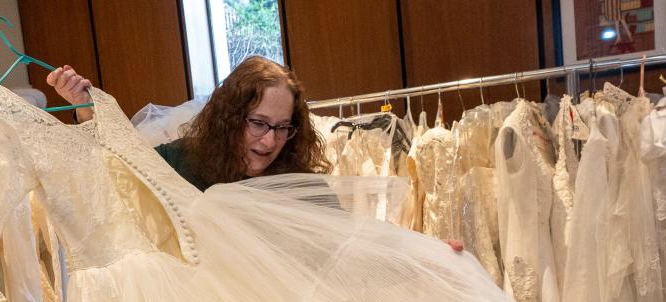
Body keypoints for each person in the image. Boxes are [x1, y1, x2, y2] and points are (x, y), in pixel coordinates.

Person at [48, 56, 465, 251]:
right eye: (258, 123)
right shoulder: (179, 162)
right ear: (230, 116)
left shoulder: (302, 184)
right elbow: (118, 180)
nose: (270, 142)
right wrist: (88, 113)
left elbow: (350, 252)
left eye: (283, 128)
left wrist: (426, 255)